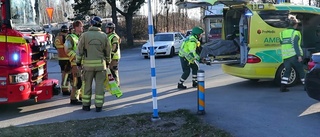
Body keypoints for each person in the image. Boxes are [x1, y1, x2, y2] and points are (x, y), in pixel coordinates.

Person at [76, 16, 111, 112]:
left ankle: (86, 105)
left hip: (87, 67)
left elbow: (79, 51)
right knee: (100, 86)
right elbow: (108, 51)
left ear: (91, 24)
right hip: (101, 65)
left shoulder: (84, 35)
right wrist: (108, 62)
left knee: (87, 85)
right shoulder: (104, 36)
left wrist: (78, 62)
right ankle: (99, 106)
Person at [279, 16, 305, 92]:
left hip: (285, 56)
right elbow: (295, 45)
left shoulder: (282, 33)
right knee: (301, 70)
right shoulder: (296, 33)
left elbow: (281, 43)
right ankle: (306, 86)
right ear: (295, 24)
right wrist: (299, 56)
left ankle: (283, 87)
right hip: (294, 56)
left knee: (287, 71)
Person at [64, 20, 84, 105]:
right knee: (76, 81)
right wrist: (76, 57)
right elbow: (67, 50)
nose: (82, 28)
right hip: (75, 63)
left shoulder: (81, 36)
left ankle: (80, 96)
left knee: (81, 80)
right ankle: (73, 99)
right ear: (76, 27)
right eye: (80, 26)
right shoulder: (70, 37)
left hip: (81, 63)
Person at [54, 25, 71, 95]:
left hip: (60, 58)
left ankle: (64, 88)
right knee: (67, 74)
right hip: (66, 58)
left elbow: (56, 47)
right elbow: (68, 47)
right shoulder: (65, 38)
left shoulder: (57, 37)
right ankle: (65, 90)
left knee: (63, 73)